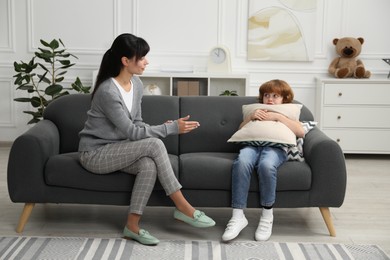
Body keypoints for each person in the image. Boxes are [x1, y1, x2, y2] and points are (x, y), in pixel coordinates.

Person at [78, 33, 215, 246]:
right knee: (155, 143)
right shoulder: (107, 91)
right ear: (125, 61)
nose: (146, 62)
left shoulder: (137, 84)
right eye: (141, 58)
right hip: (95, 153)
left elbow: (138, 123)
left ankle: (132, 226)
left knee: (148, 165)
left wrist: (164, 127)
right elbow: (133, 133)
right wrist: (169, 129)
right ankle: (183, 207)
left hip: (119, 148)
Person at [222, 79, 304, 242]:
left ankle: (267, 215)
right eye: (267, 95)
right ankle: (238, 216)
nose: (270, 99)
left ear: (284, 99)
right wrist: (251, 117)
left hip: (276, 148)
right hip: (252, 146)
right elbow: (241, 130)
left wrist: (278, 117)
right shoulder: (257, 110)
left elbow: (300, 132)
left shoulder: (287, 112)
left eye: (275, 96)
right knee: (242, 162)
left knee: (266, 165)